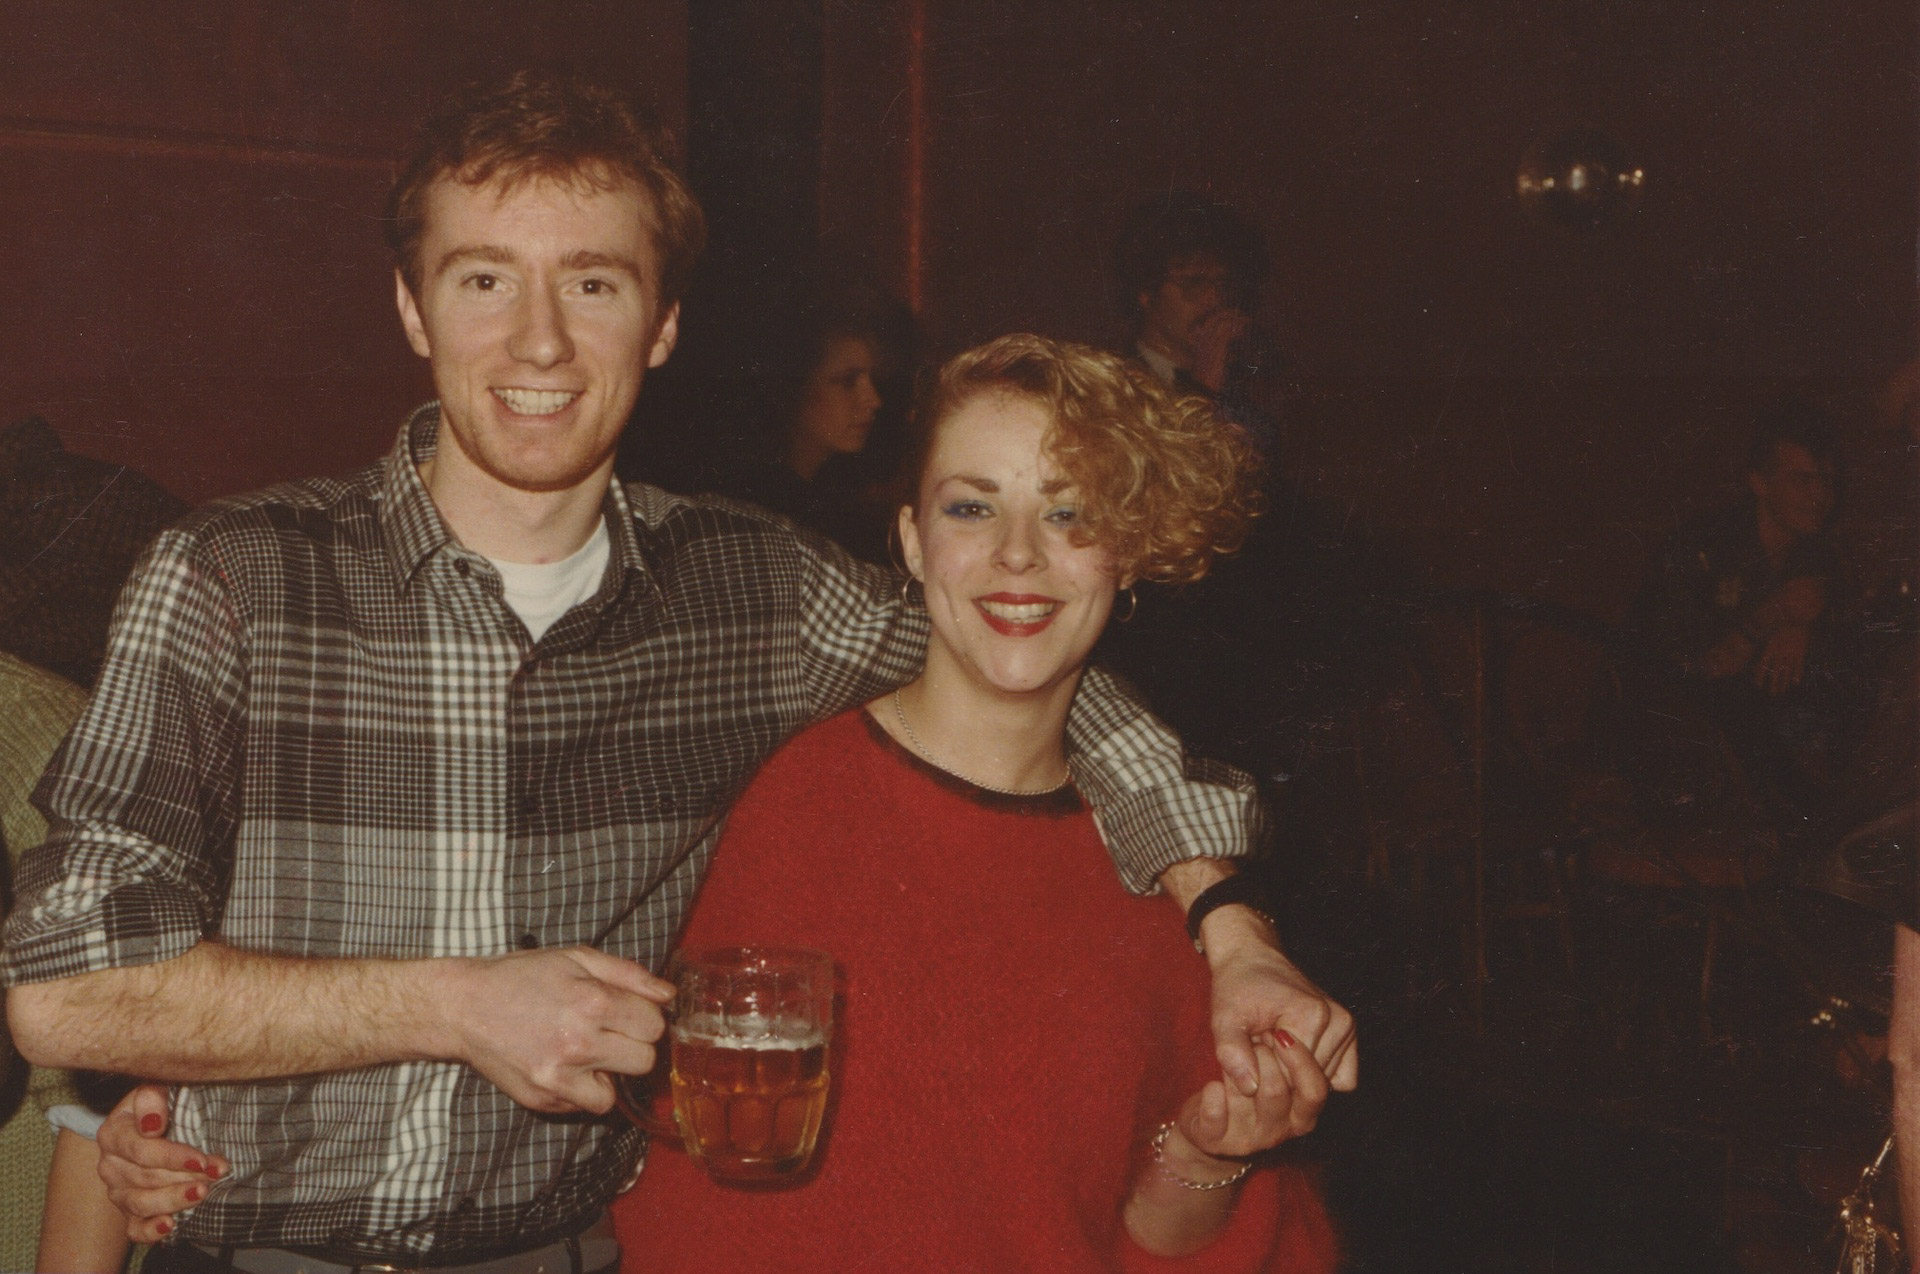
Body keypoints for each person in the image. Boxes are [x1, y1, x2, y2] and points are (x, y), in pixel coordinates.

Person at [5, 71, 1352, 1269]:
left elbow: (1026, 655)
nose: (540, 341)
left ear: (661, 323)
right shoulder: (235, 580)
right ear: (413, 307)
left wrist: (1231, 927)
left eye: (593, 283)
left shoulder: (751, 594)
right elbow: (65, 987)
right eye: (484, 279)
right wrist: (455, 1002)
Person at [612, 334, 1339, 1270]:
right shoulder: (752, 783)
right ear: (914, 541)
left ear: (1126, 556)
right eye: (972, 507)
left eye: (1069, 514)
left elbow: (1157, 1237)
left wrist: (1207, 1156)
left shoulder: (1174, 883)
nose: (1018, 554)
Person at [1622, 396, 1868, 826]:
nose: (1819, 495)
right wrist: (1774, 615)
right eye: (1802, 480)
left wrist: (1805, 622)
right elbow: (1675, 673)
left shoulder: (1821, 557)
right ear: (1759, 483)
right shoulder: (1701, 547)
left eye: (1827, 480)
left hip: (1758, 757)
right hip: (1667, 748)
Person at [718, 293, 903, 562]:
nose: (874, 400)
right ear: (794, 388)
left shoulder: (825, 494)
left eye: (871, 380)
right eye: (848, 381)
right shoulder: (768, 510)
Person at [1113, 192, 1279, 452]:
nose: (1214, 299)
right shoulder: (1115, 386)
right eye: (1194, 283)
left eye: (1222, 284)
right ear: (1146, 291)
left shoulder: (1246, 380)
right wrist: (1203, 389)